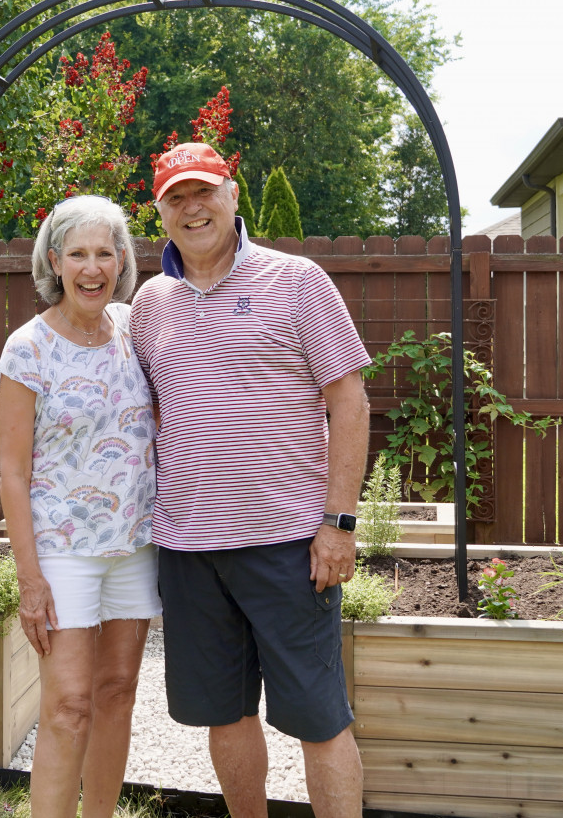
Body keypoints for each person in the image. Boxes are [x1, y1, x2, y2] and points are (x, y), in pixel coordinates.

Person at [130, 143, 372, 818]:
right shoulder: (151, 303)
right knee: (224, 714)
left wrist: (339, 522)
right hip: (189, 549)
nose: (192, 207)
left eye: (203, 191)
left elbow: (349, 402)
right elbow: (150, 412)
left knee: (320, 719)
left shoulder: (297, 280)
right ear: (161, 214)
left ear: (233, 195)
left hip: (290, 547)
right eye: (175, 198)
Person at [0, 194, 160, 818]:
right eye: (78, 254)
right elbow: (12, 472)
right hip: (63, 551)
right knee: (68, 705)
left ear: (121, 261)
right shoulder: (28, 347)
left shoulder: (136, 332)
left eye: (104, 253)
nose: (92, 268)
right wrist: (29, 579)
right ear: (54, 263)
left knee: (117, 693)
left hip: (135, 545)